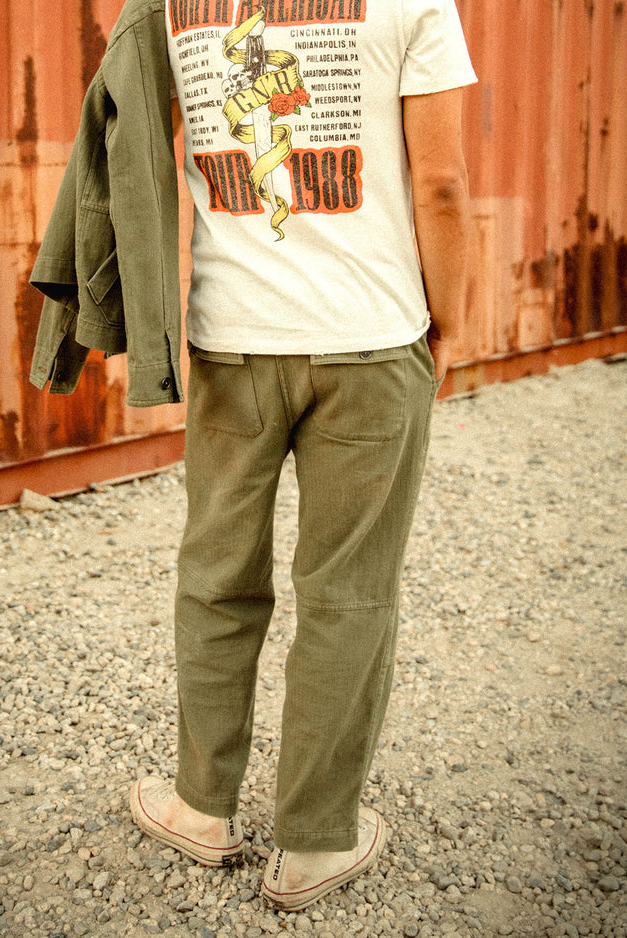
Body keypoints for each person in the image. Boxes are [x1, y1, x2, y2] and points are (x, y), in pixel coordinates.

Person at [125, 0, 476, 912]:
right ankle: (316, 843)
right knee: (349, 590)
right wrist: (453, 322)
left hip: (234, 341)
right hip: (371, 340)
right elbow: (441, 184)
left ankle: (201, 809)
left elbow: (131, 149)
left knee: (216, 576)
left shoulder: (172, 5)